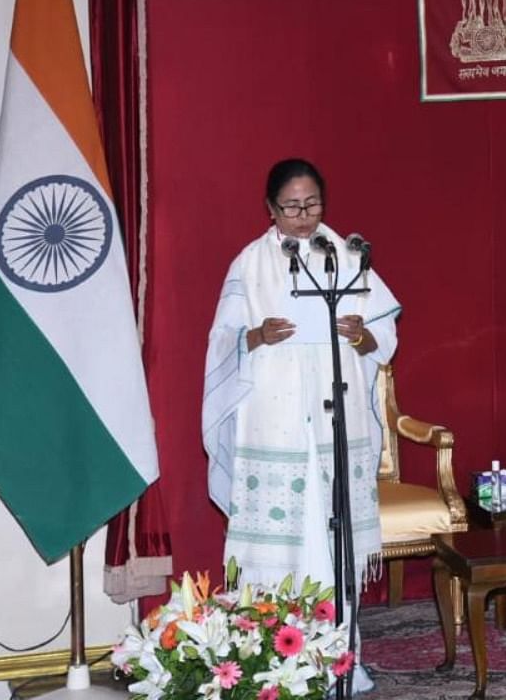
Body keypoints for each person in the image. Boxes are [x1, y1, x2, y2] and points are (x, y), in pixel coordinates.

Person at [202, 158, 400, 692]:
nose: (304, 217)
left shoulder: (349, 256)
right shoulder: (250, 264)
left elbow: (384, 339)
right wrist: (258, 336)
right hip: (276, 419)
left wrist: (361, 335)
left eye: (312, 205)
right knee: (288, 540)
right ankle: (275, 660)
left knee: (332, 537)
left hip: (337, 413)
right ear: (270, 209)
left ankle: (342, 657)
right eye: (291, 207)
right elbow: (223, 343)